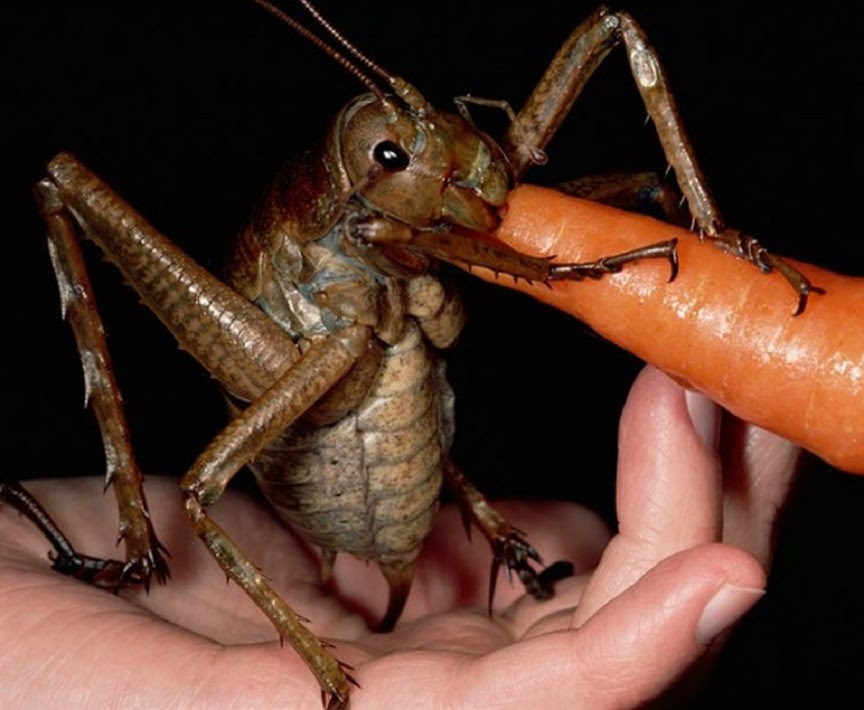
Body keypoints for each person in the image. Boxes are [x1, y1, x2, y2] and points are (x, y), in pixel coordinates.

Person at [0, 365, 799, 708]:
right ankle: (144, 543)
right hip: (294, 430)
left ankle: (501, 538)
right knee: (64, 184)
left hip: (389, 439)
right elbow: (201, 495)